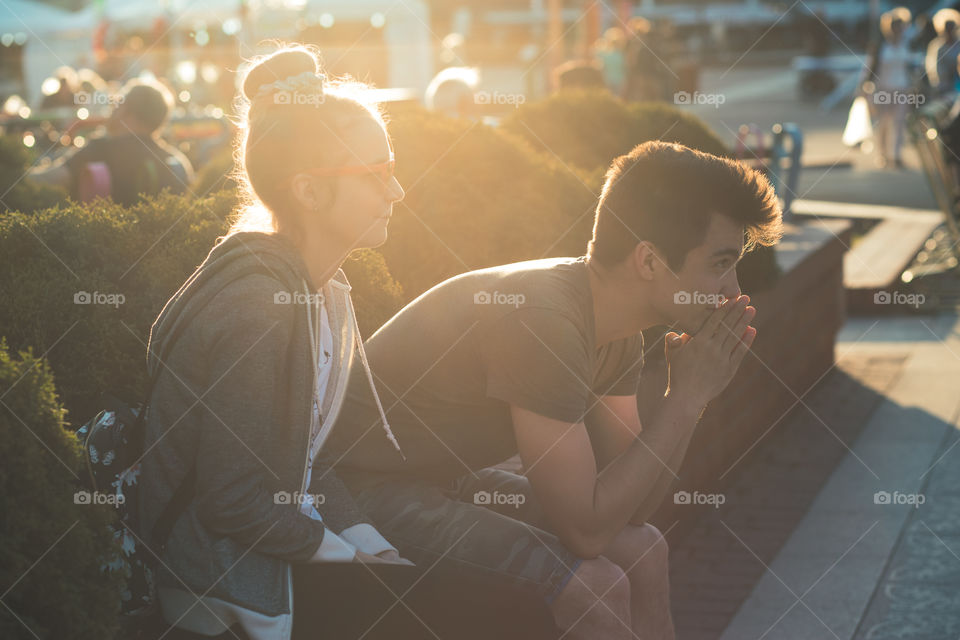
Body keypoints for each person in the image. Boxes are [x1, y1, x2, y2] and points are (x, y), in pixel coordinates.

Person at [138, 44, 559, 640]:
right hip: (228, 585)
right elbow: (231, 501)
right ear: (308, 191)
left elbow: (307, 464)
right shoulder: (260, 307)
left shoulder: (317, 290)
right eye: (376, 174)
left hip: (278, 556)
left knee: (508, 601)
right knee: (513, 614)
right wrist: (347, 557)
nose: (398, 192)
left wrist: (371, 545)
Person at [327, 140, 783, 639]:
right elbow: (585, 531)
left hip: (444, 478)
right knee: (596, 585)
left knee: (643, 550)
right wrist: (687, 399)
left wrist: (686, 397)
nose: (733, 291)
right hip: (357, 491)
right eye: (719, 264)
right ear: (649, 261)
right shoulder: (546, 320)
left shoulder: (616, 329)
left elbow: (634, 510)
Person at [29, 78, 194, 206]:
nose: (111, 110)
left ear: (126, 112)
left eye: (117, 104)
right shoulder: (177, 162)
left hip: (99, 246)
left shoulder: (99, 150)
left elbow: (48, 180)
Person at [865, 7, 917, 169]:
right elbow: (871, 69)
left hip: (901, 89)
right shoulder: (881, 47)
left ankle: (896, 155)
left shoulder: (907, 46)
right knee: (883, 124)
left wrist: (914, 85)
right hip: (883, 89)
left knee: (899, 123)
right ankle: (882, 155)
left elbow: (911, 67)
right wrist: (865, 88)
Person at [925, 8, 960, 98]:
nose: (949, 32)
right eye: (947, 29)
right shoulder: (937, 47)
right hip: (944, 88)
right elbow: (936, 70)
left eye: (952, 28)